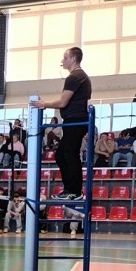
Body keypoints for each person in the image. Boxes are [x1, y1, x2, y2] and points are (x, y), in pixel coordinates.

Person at [31, 46, 91, 200]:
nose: (62, 61)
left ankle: (74, 191)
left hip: (76, 120)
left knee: (69, 155)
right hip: (75, 120)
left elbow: (63, 102)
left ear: (73, 59)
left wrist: (44, 104)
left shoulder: (75, 77)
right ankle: (70, 189)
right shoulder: (78, 76)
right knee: (62, 155)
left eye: (65, 58)